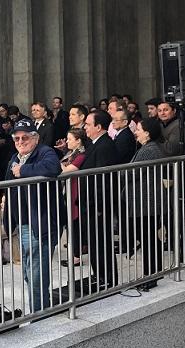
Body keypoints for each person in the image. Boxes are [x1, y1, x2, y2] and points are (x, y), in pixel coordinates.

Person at [2, 123, 62, 312]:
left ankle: (39, 314)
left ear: (35, 138)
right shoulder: (15, 157)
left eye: (25, 137)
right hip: (21, 221)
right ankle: (42, 307)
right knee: (29, 271)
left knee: (36, 273)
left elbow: (53, 167)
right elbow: (8, 182)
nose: (20, 142)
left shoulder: (45, 152)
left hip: (39, 223)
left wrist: (23, 171)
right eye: (17, 138)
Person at [124, 118, 167, 291]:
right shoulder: (148, 148)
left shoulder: (149, 150)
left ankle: (151, 275)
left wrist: (120, 172)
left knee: (148, 239)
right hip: (145, 201)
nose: (136, 132)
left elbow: (131, 172)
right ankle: (152, 273)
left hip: (146, 201)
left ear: (147, 133)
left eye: (139, 129)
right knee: (149, 238)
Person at [79, 110, 118, 289]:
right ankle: (99, 275)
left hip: (97, 204)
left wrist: (98, 206)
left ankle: (106, 278)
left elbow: (103, 180)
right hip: (90, 202)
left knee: (101, 242)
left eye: (88, 124)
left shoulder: (105, 146)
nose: (85, 127)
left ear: (99, 127)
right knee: (94, 242)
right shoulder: (94, 143)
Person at [59, 128, 88, 267]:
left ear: (78, 141)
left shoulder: (81, 155)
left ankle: (76, 256)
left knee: (75, 224)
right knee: (71, 224)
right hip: (69, 190)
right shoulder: (72, 153)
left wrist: (55, 163)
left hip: (76, 192)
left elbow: (66, 170)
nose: (67, 142)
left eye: (70, 139)